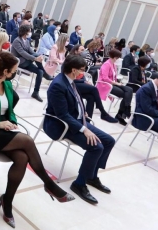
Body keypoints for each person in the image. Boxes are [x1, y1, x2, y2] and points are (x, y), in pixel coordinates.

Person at [0, 52, 75, 227]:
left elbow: (10, 111)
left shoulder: (6, 85)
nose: (15, 73)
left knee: (22, 158)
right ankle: (49, 184)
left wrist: (12, 122)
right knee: (27, 141)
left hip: (2, 131)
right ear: (5, 70)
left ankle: (7, 201)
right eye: (13, 71)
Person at [45, 55, 116, 205]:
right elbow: (62, 114)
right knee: (96, 147)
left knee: (109, 141)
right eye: (82, 70)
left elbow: (76, 100)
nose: (83, 73)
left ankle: (91, 175)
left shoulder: (70, 81)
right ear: (74, 70)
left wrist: (82, 112)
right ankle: (79, 183)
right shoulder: (59, 85)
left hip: (76, 120)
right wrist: (84, 129)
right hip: (62, 125)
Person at [12, 24, 52, 102]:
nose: (31, 33)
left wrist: (38, 57)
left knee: (39, 71)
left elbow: (30, 51)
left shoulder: (27, 41)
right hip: (19, 62)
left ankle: (36, 92)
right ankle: (46, 74)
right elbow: (22, 52)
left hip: (27, 62)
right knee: (36, 55)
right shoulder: (17, 40)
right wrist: (35, 58)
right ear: (25, 32)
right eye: (29, 31)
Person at [97, 49, 133, 125]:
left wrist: (117, 83)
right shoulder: (107, 64)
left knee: (129, 90)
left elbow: (114, 77)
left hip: (113, 83)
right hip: (106, 85)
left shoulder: (113, 64)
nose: (119, 59)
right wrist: (116, 83)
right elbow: (105, 78)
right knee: (125, 94)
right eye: (118, 57)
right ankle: (122, 114)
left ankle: (126, 109)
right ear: (115, 57)